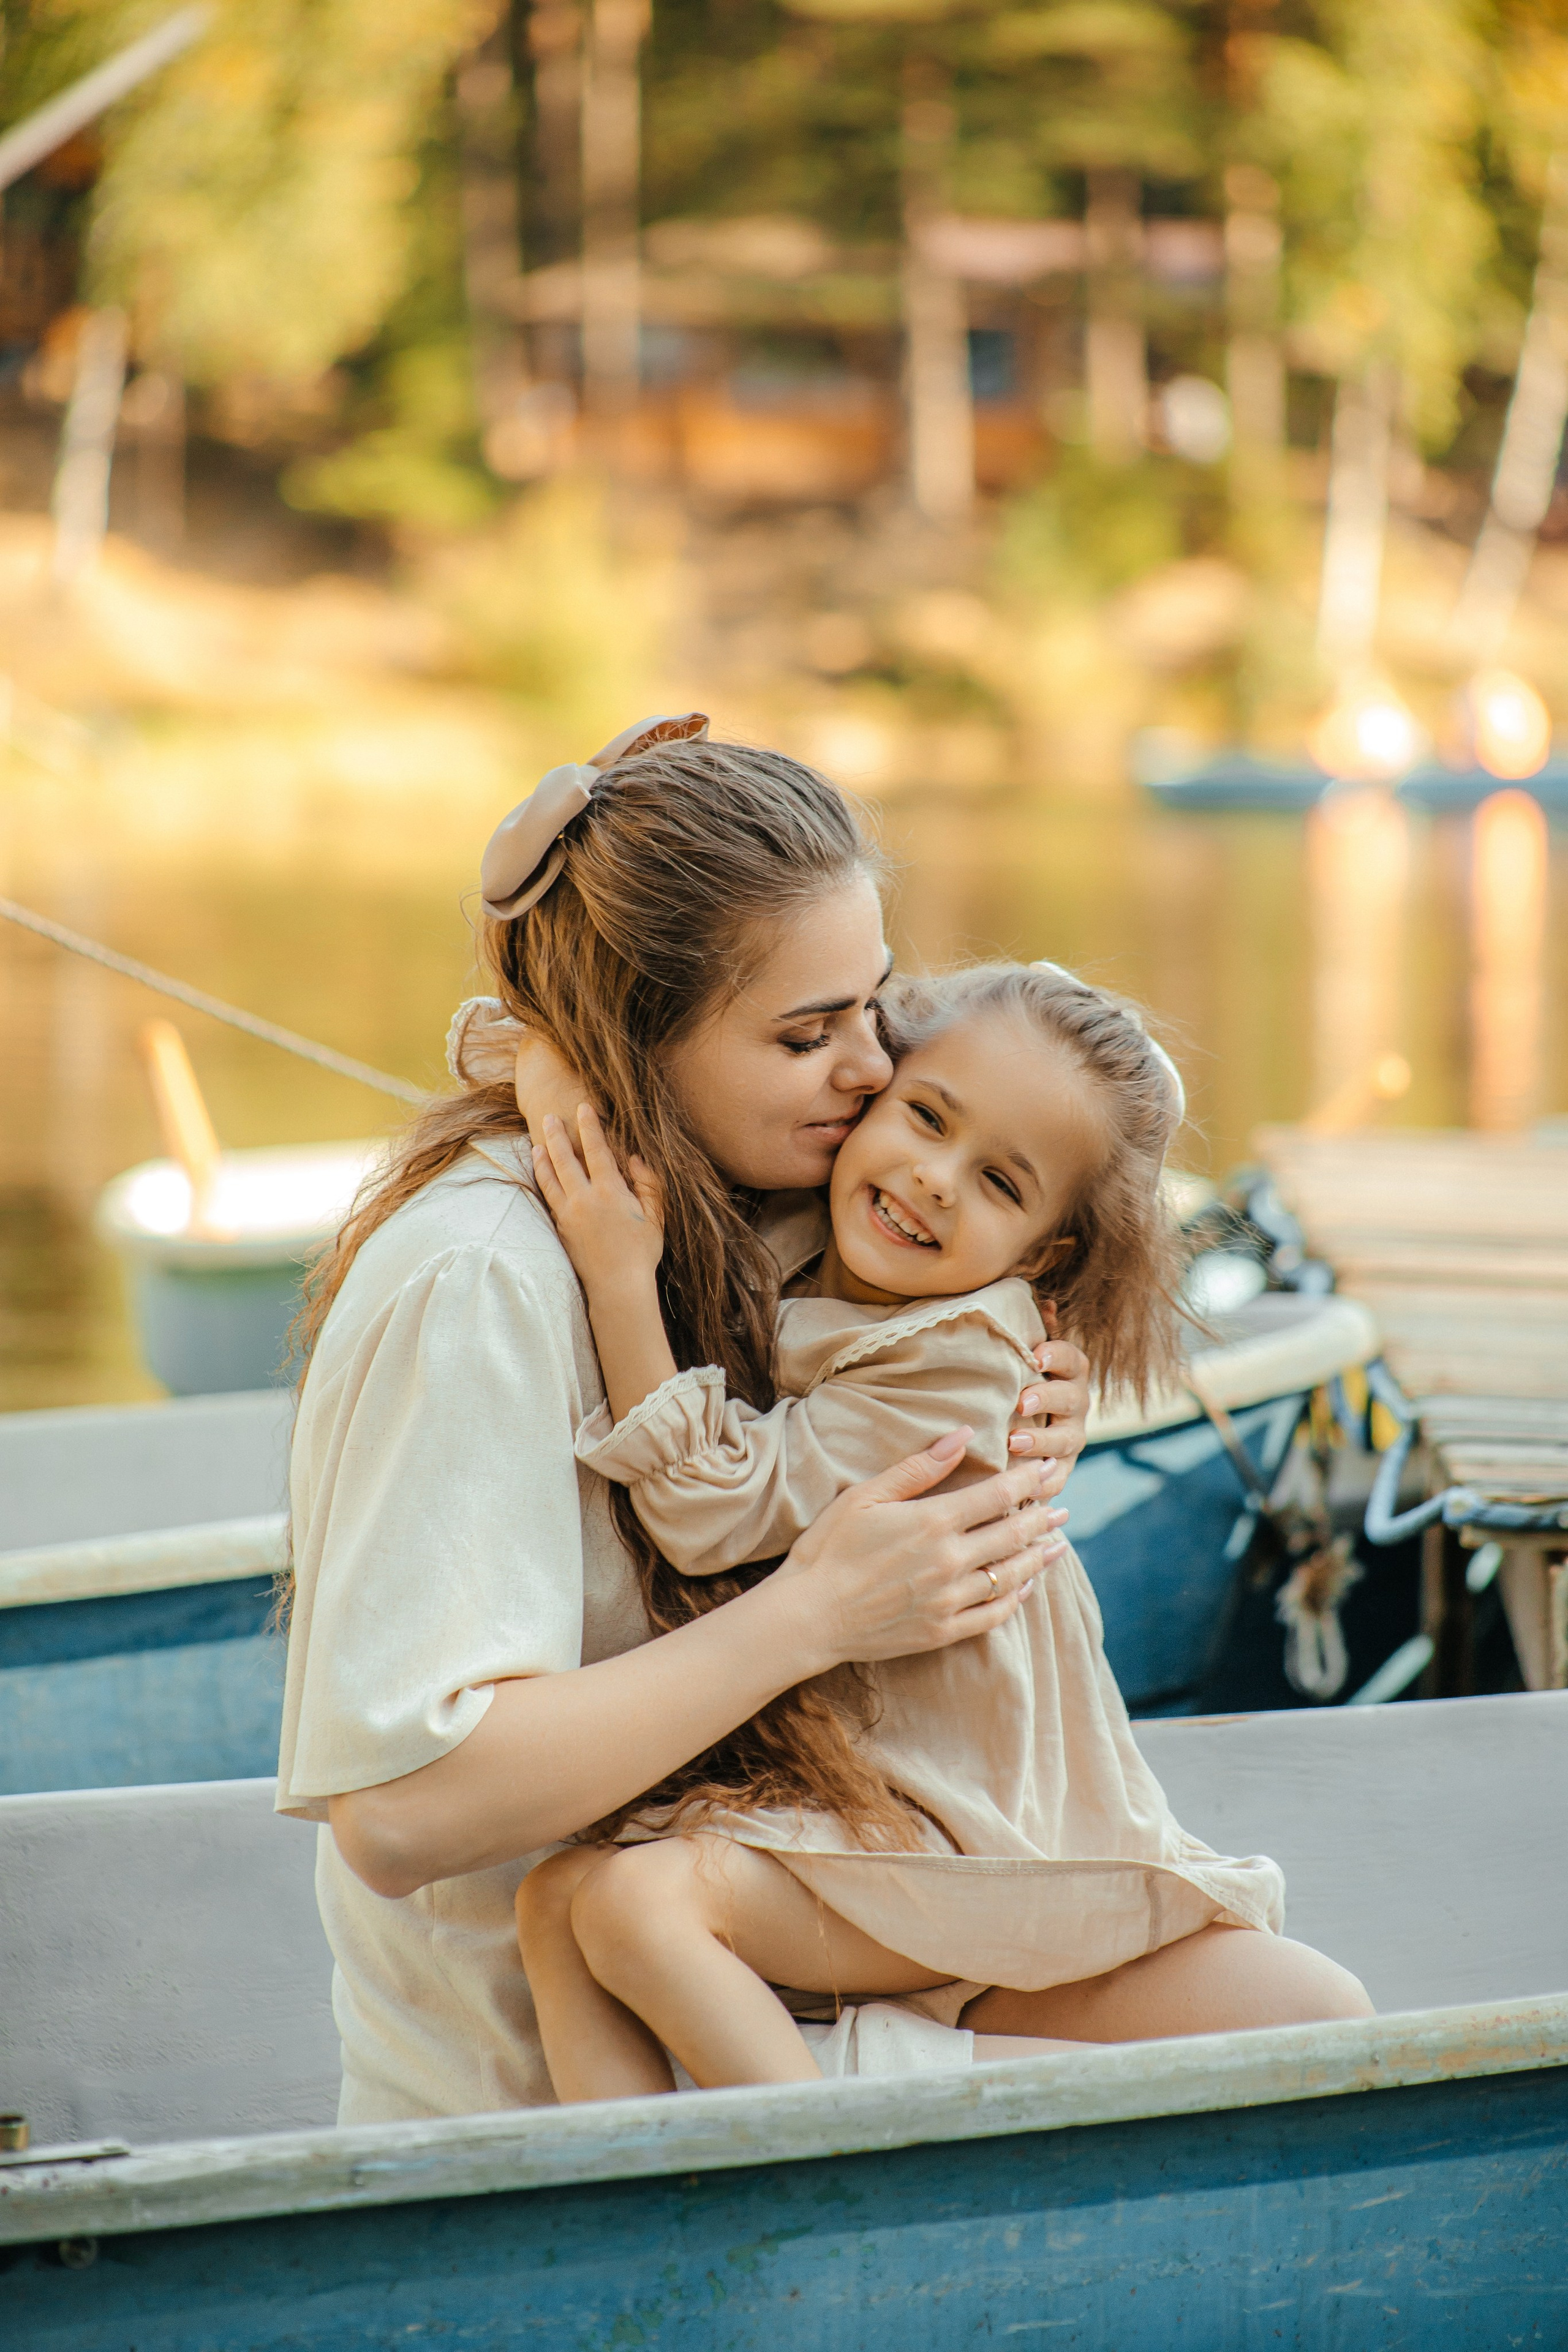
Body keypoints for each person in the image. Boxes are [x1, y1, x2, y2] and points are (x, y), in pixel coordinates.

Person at [276, 715, 1088, 2122]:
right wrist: (812, 1616)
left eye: (873, 1008)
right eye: (804, 1033)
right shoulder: (484, 1278)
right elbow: (401, 1813)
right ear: (635, 1039)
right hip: (543, 2113)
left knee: (1286, 2011)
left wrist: (1029, 1368)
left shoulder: (749, 1188)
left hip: (777, 2021)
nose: (868, 1072)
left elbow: (1094, 1087)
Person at [513, 960, 1372, 2101]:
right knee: (551, 1901)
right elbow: (541, 1046)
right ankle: (626, 2233)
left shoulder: (958, 1359)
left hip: (957, 1826)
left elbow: (708, 1512)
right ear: (871, 1084)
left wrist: (621, 1282)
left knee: (632, 1900)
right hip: (875, 1803)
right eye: (925, 1116)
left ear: (1045, 1256)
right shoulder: (822, 1233)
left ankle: (848, 2170)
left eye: (1000, 1183)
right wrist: (545, 1062)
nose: (930, 1180)